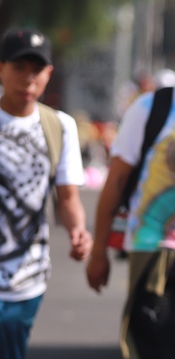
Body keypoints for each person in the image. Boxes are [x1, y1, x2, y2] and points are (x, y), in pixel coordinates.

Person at [85, 18, 175, 359]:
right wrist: (98, 250)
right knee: (151, 347)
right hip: (153, 248)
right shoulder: (150, 108)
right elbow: (116, 181)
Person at [0, 28, 92, 359]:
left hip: (26, 279)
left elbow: (67, 198)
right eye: (18, 67)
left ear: (48, 74)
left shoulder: (60, 125)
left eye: (36, 69)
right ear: (1, 68)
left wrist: (78, 230)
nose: (28, 78)